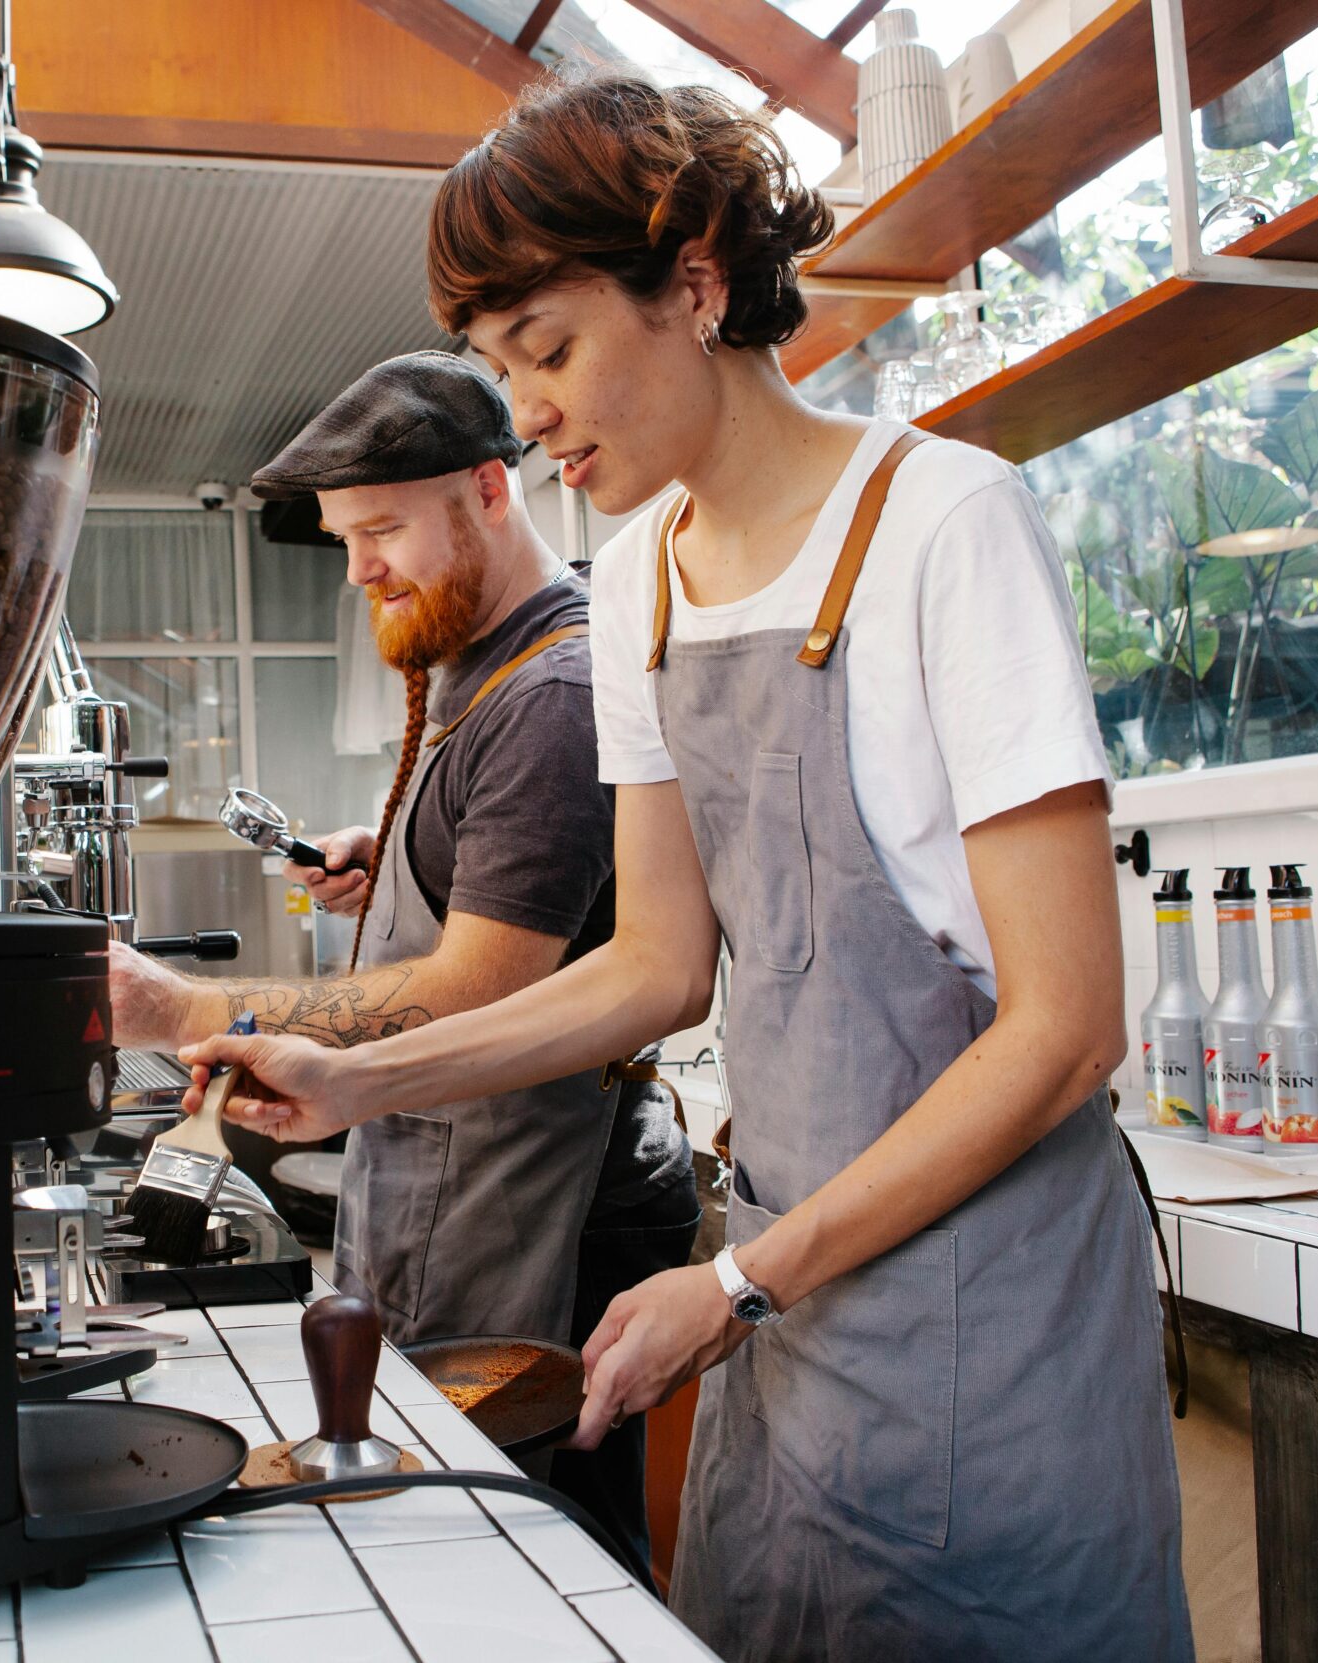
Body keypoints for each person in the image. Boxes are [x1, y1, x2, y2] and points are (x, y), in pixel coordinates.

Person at [176, 78, 1192, 1663]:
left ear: (698, 282)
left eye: (553, 350)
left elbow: (1066, 1028)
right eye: (503, 368)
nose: (527, 413)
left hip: (984, 1307)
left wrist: (740, 1282)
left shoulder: (944, 525)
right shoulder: (637, 571)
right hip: (786, 1296)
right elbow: (656, 964)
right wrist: (360, 1079)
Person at [106, 350, 695, 1578]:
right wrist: (402, 868)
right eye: (342, 538)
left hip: (542, 1202)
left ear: (490, 489)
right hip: (452, 1184)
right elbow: (516, 905)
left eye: (379, 528)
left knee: (547, 1554)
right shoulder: (479, 666)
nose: (360, 565)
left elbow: (480, 983)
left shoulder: (553, 690)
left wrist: (182, 1006)